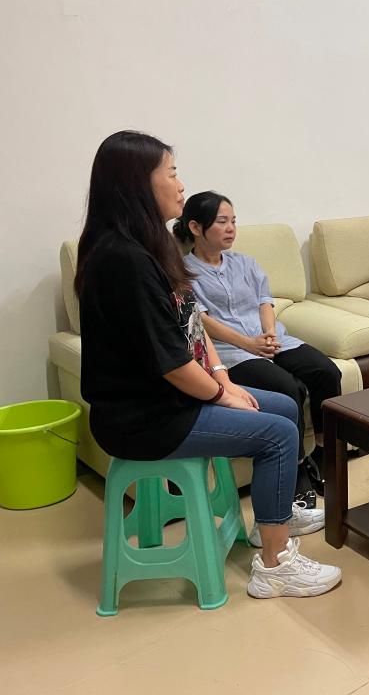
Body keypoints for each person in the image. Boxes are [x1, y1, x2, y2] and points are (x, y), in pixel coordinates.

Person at [76, 131, 341, 598]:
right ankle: (275, 567)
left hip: (172, 399)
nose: (181, 184)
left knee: (282, 405)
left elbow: (192, 326)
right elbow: (172, 364)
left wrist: (223, 379)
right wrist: (223, 395)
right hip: (143, 417)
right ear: (138, 183)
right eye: (171, 173)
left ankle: (271, 521)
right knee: (278, 434)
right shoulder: (122, 260)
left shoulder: (150, 247)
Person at [173, 191, 339, 506]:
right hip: (231, 351)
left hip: (268, 339)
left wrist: (269, 334)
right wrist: (249, 344)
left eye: (233, 221)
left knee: (326, 372)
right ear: (195, 227)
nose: (231, 228)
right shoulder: (183, 272)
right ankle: (297, 470)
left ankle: (322, 453)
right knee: (287, 388)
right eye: (222, 222)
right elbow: (202, 322)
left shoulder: (245, 263)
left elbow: (265, 301)